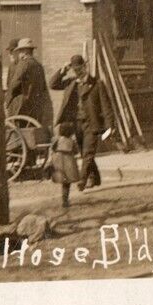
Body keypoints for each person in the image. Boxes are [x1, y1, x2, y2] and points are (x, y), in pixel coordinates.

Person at [49, 54, 116, 202]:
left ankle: (83, 179)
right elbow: (52, 84)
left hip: (91, 124)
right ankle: (95, 177)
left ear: (85, 67)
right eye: (75, 70)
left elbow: (106, 107)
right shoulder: (71, 83)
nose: (78, 72)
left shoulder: (97, 84)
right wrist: (63, 70)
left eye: (79, 69)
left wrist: (110, 126)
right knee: (84, 152)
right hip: (75, 124)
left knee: (88, 152)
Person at [3, 37, 54, 138]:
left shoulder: (24, 64)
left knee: (18, 132)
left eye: (20, 51)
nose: (19, 54)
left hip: (22, 105)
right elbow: (43, 87)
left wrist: (7, 101)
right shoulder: (39, 66)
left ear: (25, 51)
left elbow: (14, 83)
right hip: (36, 106)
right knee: (31, 133)